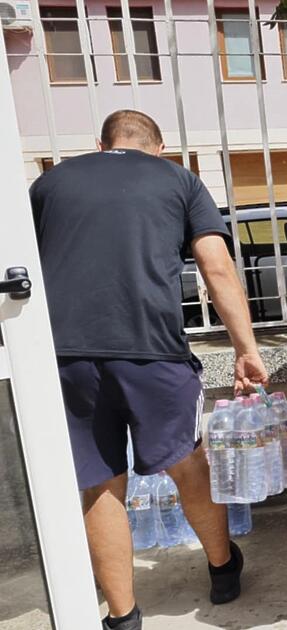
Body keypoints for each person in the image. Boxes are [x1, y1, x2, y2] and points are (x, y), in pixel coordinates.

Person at [30, 110, 268, 630]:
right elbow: (217, 264)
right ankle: (223, 570)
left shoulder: (49, 183)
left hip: (67, 355)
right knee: (187, 464)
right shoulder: (179, 179)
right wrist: (245, 347)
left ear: (100, 144)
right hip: (152, 351)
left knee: (100, 484)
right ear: (158, 148)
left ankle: (123, 616)